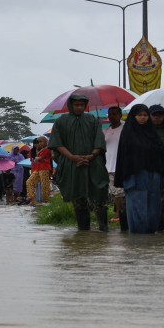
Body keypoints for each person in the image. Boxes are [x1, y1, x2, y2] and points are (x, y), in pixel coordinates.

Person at [48, 94, 110, 231]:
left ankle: (104, 229)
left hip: (93, 164)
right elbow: (57, 144)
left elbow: (99, 141)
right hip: (72, 166)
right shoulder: (60, 121)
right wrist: (73, 157)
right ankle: (83, 231)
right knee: (78, 198)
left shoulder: (92, 119)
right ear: (71, 105)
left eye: (82, 105)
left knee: (99, 196)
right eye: (76, 105)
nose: (79, 107)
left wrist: (91, 156)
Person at [114, 104, 164, 234]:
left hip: (152, 176)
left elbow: (161, 154)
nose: (143, 118)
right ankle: (138, 235)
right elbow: (123, 156)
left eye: (145, 115)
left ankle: (150, 233)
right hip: (135, 176)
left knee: (153, 205)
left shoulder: (152, 134)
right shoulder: (128, 133)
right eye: (140, 115)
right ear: (134, 116)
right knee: (137, 204)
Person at [103, 106, 126, 229]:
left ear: (120, 115)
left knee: (120, 193)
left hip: (122, 165)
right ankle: (119, 213)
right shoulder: (105, 131)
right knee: (115, 193)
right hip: (108, 166)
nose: (112, 116)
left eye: (115, 114)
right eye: (110, 114)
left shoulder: (125, 129)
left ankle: (120, 214)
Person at [26, 136, 52, 205]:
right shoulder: (38, 150)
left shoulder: (47, 149)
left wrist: (38, 158)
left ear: (45, 142)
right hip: (37, 168)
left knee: (44, 185)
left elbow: (42, 158)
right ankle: (32, 199)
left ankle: (46, 200)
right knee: (29, 182)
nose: (39, 143)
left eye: (41, 141)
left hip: (45, 168)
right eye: (38, 142)